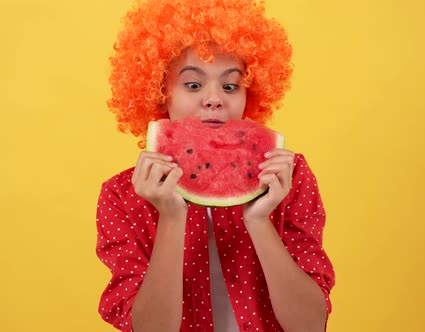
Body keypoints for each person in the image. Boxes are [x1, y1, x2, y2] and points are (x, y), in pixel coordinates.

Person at [95, 0, 336, 331]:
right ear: (159, 91)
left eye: (230, 85)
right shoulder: (121, 196)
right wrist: (171, 217)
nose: (214, 99)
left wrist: (259, 219)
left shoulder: (287, 176)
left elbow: (310, 324)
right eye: (193, 84)